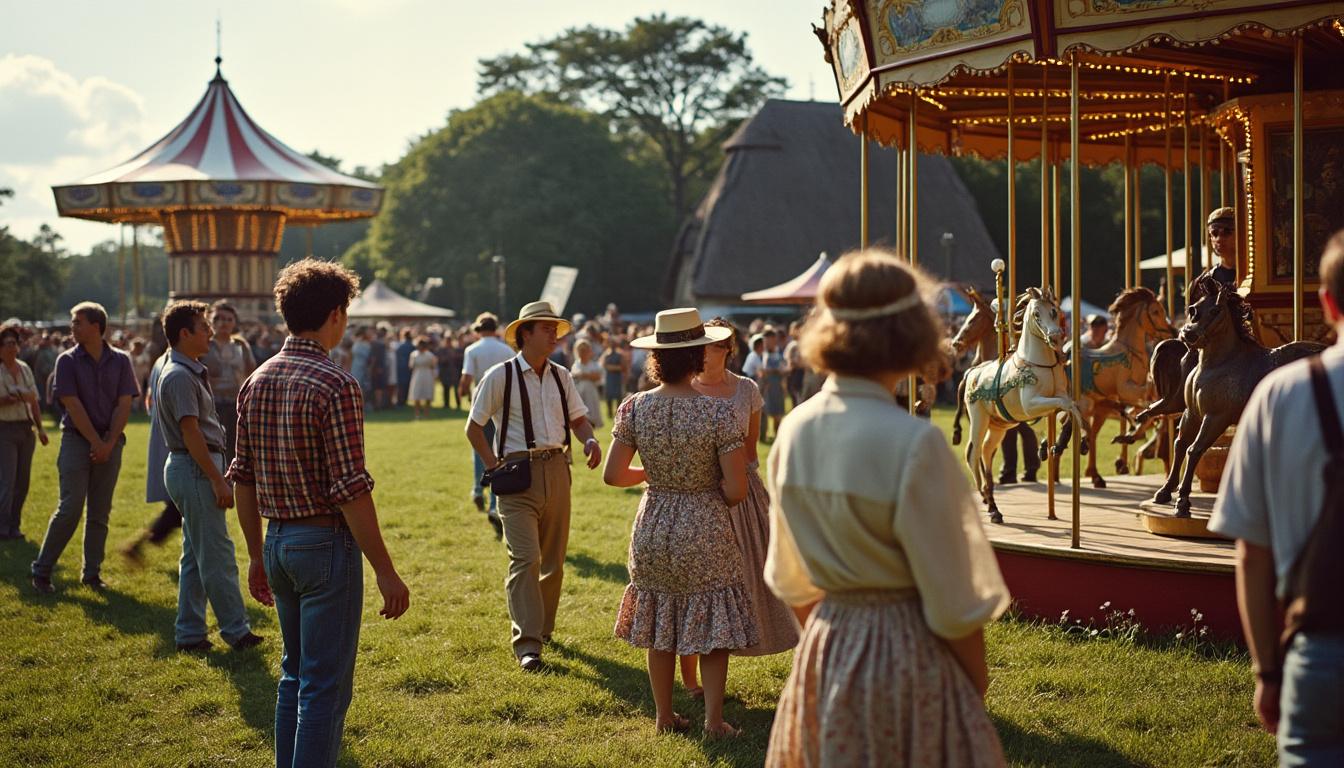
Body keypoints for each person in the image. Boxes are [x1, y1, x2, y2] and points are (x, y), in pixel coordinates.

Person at [764, 250, 1010, 766]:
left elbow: (791, 579)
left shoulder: (793, 432)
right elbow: (954, 604)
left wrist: (836, 642)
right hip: (909, 656)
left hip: (825, 651)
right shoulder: (915, 444)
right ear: (910, 332)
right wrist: (972, 691)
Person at [228, 258, 410, 768]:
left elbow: (242, 477)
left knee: (295, 675)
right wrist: (386, 570)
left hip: (277, 540)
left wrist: (255, 553)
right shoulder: (337, 383)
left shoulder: (256, 380)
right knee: (324, 689)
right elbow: (351, 489)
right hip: (324, 544)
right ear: (335, 314)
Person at [1209, 230, 1344, 766]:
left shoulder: (1279, 395)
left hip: (1321, 644)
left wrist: (1267, 670)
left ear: (1327, 303)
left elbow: (1252, 552)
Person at [604, 308, 754, 736]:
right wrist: (706, 489)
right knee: (714, 625)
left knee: (658, 621)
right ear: (696, 358)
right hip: (704, 522)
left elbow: (613, 475)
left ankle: (663, 716)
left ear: (656, 359)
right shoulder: (717, 413)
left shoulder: (634, 407)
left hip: (653, 523)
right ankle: (713, 721)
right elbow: (737, 489)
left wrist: (653, 475)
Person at [465, 300, 602, 672]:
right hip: (516, 474)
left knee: (554, 562)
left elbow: (579, 420)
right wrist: (494, 466)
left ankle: (542, 630)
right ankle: (527, 645)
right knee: (525, 559)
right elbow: (473, 428)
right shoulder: (500, 375)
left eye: (555, 329)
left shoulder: (562, 376)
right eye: (546, 329)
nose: (554, 335)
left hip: (558, 468)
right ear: (525, 333)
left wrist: (589, 440)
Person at [678, 317, 798, 699]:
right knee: (692, 583)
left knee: (748, 577)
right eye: (700, 343)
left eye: (713, 344)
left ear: (728, 349)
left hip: (739, 494)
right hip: (694, 492)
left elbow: (749, 451)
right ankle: (691, 678)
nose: (704, 351)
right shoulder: (683, 388)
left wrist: (740, 488)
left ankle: (741, 650)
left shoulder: (746, 389)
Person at [156, 301, 262, 653]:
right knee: (217, 556)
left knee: (194, 557)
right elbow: (191, 434)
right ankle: (236, 631)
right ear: (184, 334)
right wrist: (217, 478)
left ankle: (189, 633)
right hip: (196, 468)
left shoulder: (186, 370)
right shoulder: (179, 376)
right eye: (204, 327)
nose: (211, 332)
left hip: (192, 467)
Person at [31, 302, 139, 594]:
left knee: (100, 513)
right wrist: (97, 443)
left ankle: (92, 574)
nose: (72, 327)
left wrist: (109, 442)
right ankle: (42, 570)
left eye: (78, 322)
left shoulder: (120, 360)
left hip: (111, 442)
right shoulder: (66, 360)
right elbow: (72, 404)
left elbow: (125, 402)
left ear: (96, 326)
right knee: (70, 507)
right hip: (77, 442)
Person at [119, 348, 182, 564]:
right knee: (183, 507)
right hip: (180, 445)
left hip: (169, 442)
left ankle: (140, 543)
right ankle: (140, 543)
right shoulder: (177, 364)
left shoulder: (162, 360)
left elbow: (149, 403)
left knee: (182, 508)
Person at [460, 312, 515, 534]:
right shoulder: (506, 350)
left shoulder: (472, 350)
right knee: (498, 453)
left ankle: (476, 489)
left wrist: (461, 393)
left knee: (478, 449)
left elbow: (466, 378)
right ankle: (494, 503)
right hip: (503, 405)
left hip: (480, 403)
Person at [1, 323, 49, 541]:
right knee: (7, 481)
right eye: (7, 344)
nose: (12, 347)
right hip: (5, 429)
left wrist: (40, 428)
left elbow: (34, 401)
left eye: (14, 343)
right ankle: (3, 527)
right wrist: (10, 399)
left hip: (25, 428)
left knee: (23, 482)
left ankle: (15, 525)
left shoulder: (25, 369)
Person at [200, 301, 256, 463]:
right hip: (210, 406)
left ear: (234, 322)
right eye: (218, 318)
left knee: (235, 448)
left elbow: (251, 373)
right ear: (210, 320)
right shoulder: (204, 345)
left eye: (228, 319)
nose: (223, 323)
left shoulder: (241, 345)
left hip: (236, 405)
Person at [570, 339, 604, 429]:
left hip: (591, 390)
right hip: (580, 391)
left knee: (592, 408)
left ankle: (594, 424)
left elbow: (597, 376)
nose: (583, 353)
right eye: (581, 351)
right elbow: (575, 375)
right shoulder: (576, 364)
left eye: (585, 350)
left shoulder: (594, 364)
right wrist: (588, 375)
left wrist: (584, 375)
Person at [406, 336, 438, 419]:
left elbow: (433, 366)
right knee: (416, 394)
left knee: (427, 394)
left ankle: (426, 412)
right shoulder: (414, 354)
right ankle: (417, 413)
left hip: (427, 375)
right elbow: (411, 366)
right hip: (417, 375)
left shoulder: (430, 355)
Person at [601, 335, 626, 420]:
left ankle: (618, 412)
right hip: (609, 377)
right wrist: (614, 367)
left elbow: (622, 367)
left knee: (618, 395)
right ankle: (610, 413)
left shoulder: (620, 354)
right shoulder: (606, 354)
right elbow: (603, 365)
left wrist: (611, 367)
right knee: (609, 396)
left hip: (617, 377)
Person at [396, 328, 414, 409]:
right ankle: (402, 401)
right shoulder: (411, 346)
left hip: (401, 368)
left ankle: (401, 401)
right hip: (406, 368)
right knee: (405, 386)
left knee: (402, 386)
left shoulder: (400, 346)